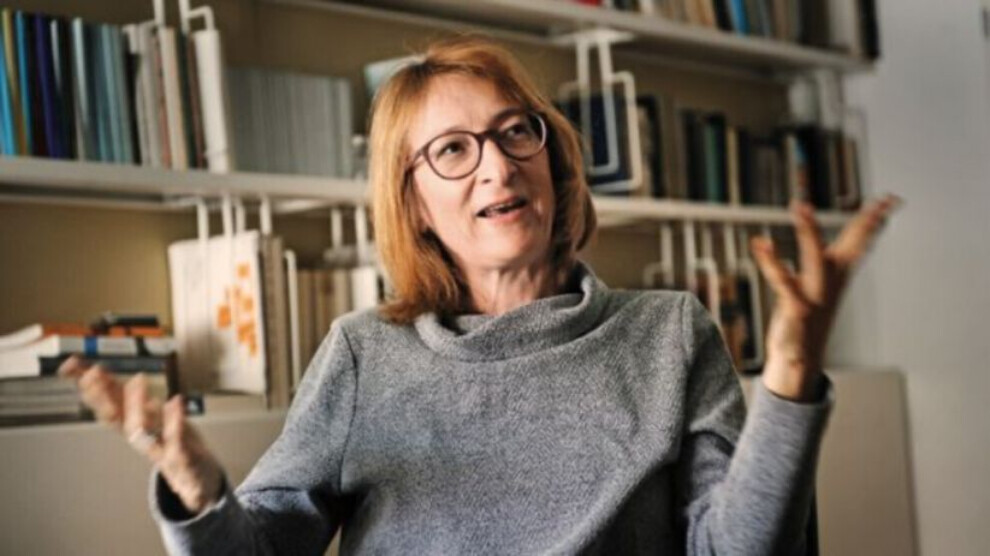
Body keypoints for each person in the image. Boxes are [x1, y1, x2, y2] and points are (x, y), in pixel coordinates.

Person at [60, 36, 899, 555]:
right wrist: (200, 493)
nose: (497, 165)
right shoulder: (364, 353)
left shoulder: (670, 332)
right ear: (414, 202)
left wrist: (790, 377)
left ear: (552, 159)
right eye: (453, 151)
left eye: (513, 132)